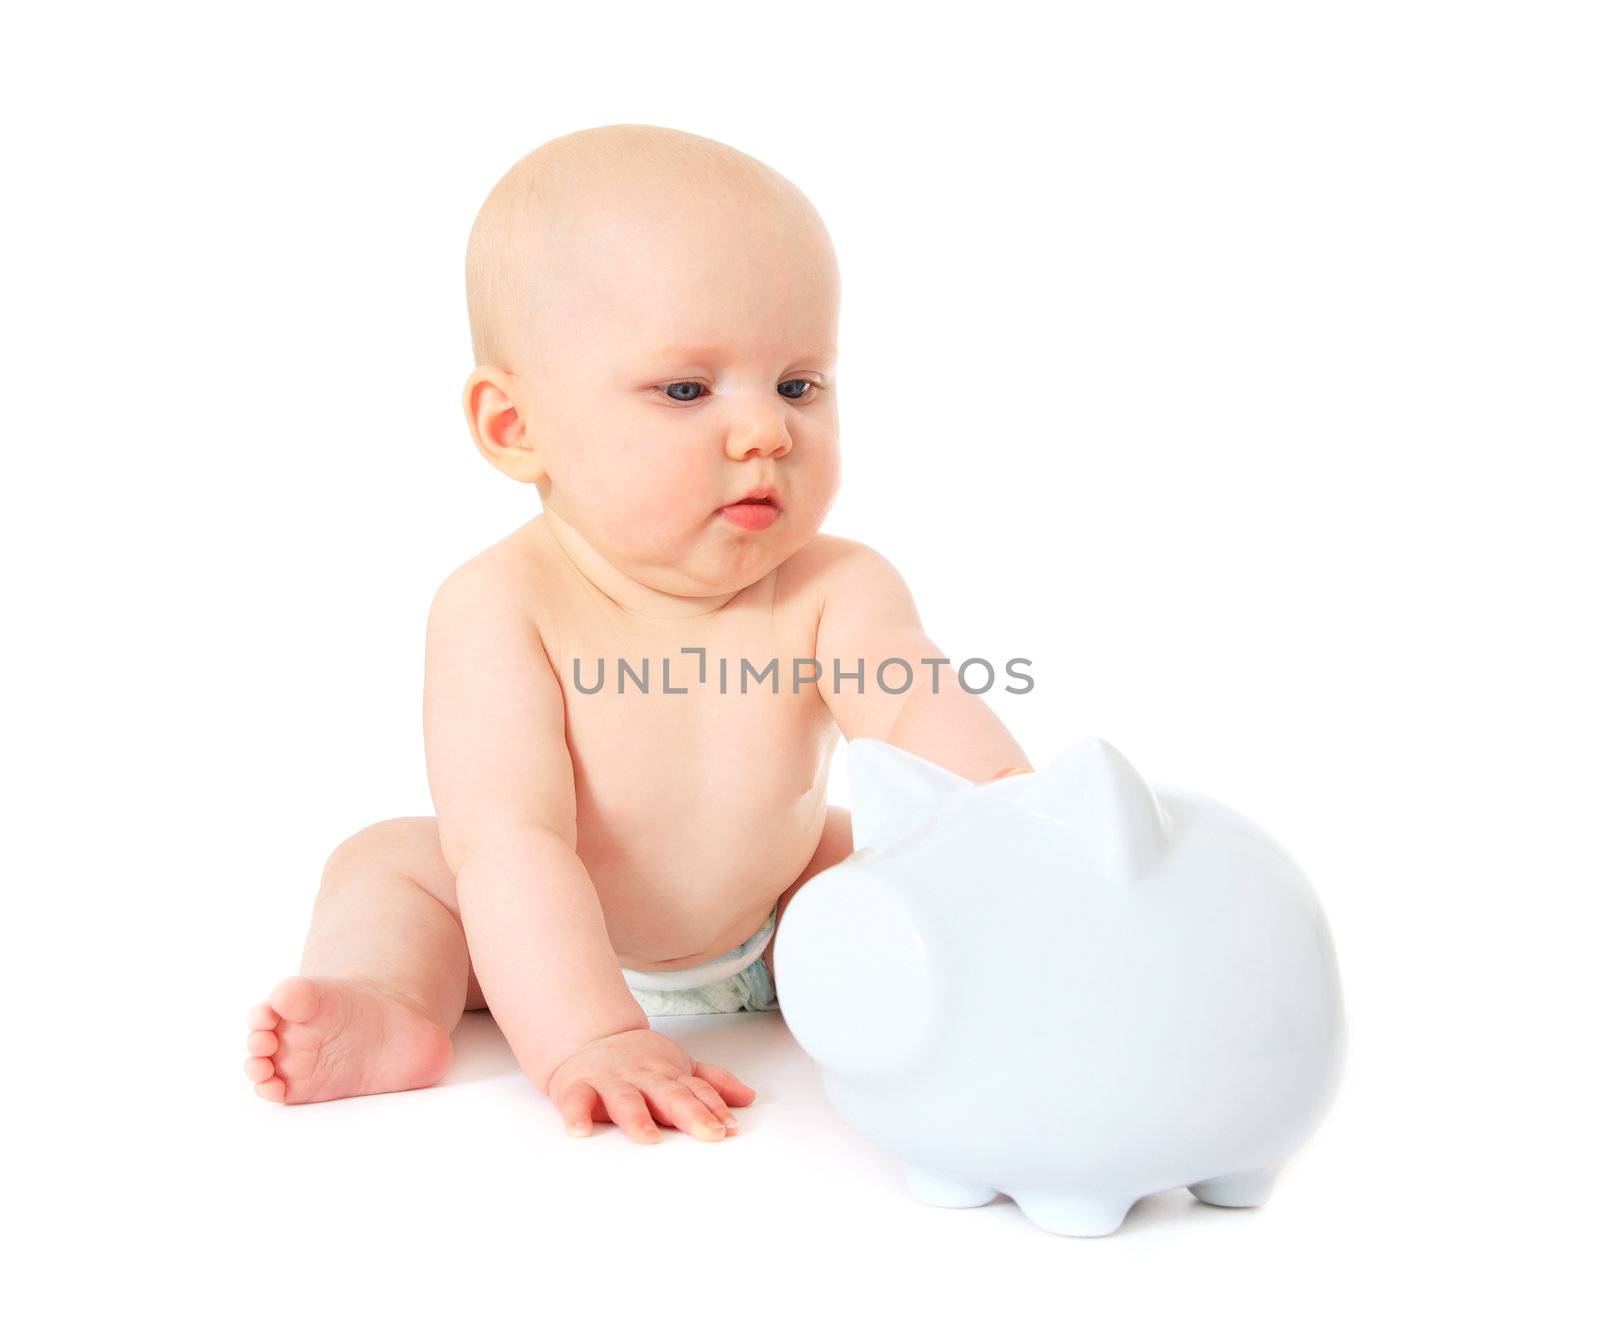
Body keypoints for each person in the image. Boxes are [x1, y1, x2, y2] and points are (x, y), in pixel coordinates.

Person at [244, 124, 1032, 1143]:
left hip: (762, 919)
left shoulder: (837, 585)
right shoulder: (500, 604)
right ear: (514, 428)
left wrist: (1025, 829)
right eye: (686, 390)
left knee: (873, 852)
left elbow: (922, 709)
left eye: (798, 384)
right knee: (396, 865)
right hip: (529, 946)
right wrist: (586, 1032)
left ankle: (955, 981)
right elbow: (511, 840)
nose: (766, 432)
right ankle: (389, 1000)